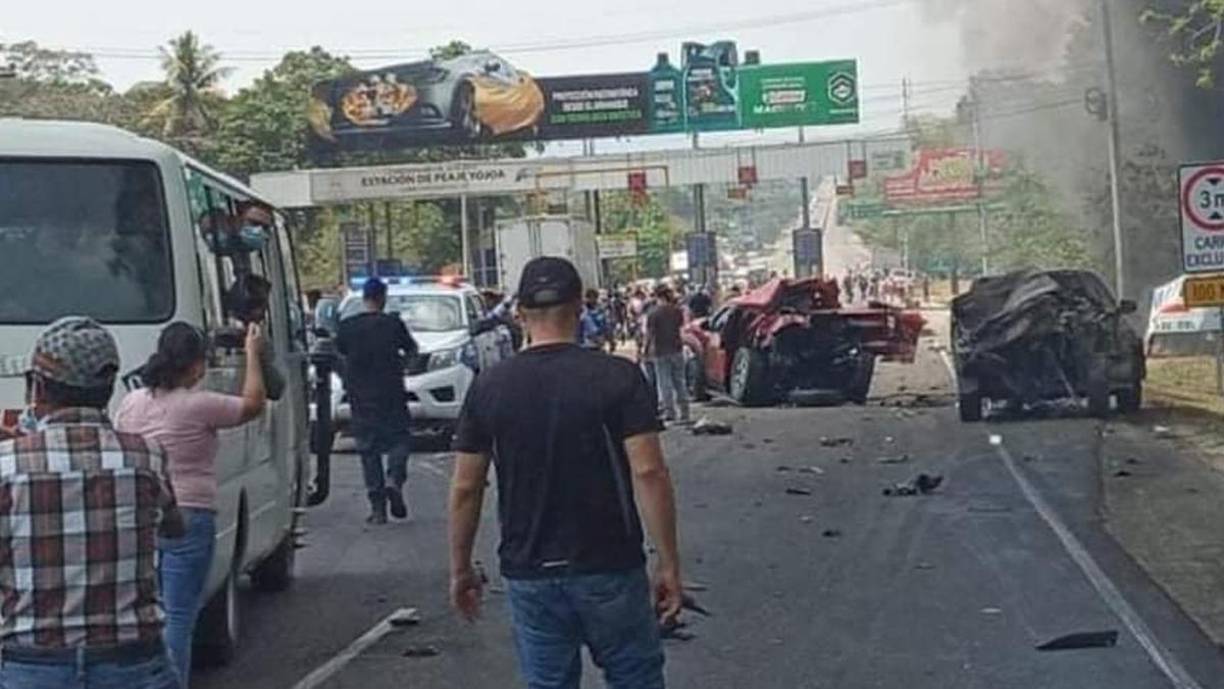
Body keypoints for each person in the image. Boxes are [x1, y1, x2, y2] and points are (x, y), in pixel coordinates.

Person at [449, 256, 682, 689]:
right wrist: (668, 563)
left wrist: (461, 567)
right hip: (610, 564)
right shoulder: (618, 377)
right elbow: (649, 471)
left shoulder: (490, 386)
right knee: (636, 678)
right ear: (580, 308)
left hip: (530, 570)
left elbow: (466, 486)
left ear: (520, 314)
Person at [0, 317, 183, 689]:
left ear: (38, 388)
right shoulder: (145, 456)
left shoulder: (7, 465)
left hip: (33, 666)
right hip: (133, 664)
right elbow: (175, 528)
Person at [115, 321, 267, 687]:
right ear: (197, 365)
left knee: (146, 614)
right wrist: (252, 354)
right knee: (180, 616)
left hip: (141, 514)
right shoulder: (200, 405)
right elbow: (254, 404)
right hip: (190, 514)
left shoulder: (131, 403)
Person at [336, 277, 419, 525]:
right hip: (391, 393)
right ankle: (394, 478)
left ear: (364, 298)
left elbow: (335, 352)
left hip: (361, 397)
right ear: (383, 297)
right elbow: (412, 350)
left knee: (368, 450)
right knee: (399, 439)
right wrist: (404, 368)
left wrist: (346, 376)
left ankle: (378, 508)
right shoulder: (393, 324)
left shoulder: (348, 326)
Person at [647, 286, 690, 424]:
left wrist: (644, 350)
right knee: (680, 381)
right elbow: (680, 327)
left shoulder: (653, 313)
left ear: (658, 296)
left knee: (664, 383)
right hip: (677, 348)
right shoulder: (677, 311)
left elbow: (650, 335)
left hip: (660, 351)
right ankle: (685, 412)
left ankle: (670, 412)